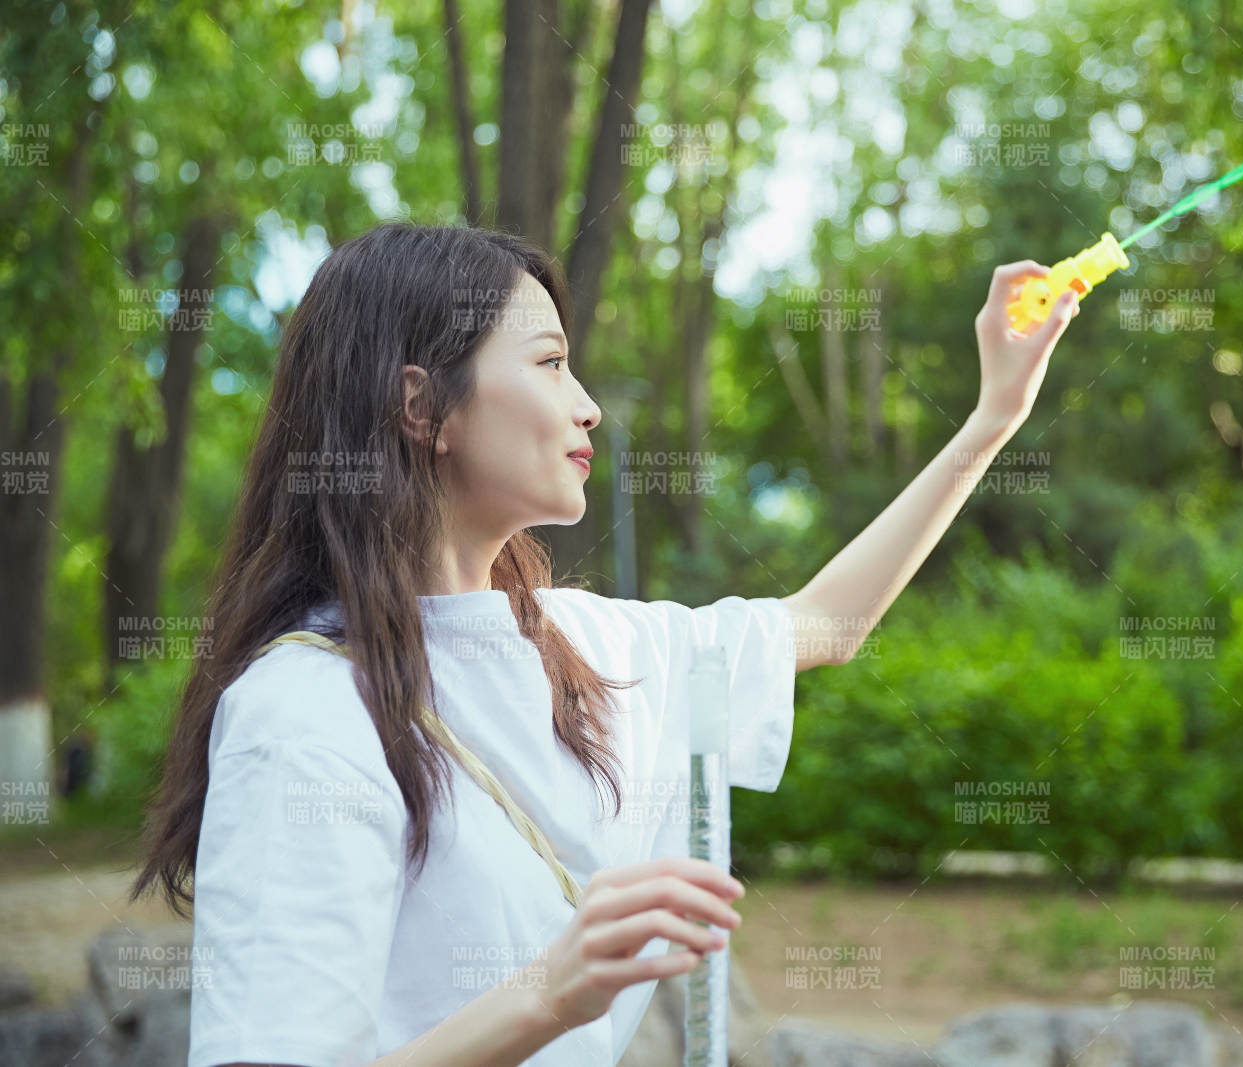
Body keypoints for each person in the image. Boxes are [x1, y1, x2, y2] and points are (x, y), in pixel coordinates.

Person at [129, 222, 1081, 1066]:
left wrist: (993, 417)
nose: (588, 406)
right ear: (422, 407)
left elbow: (826, 624)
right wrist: (549, 991)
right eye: (548, 365)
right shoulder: (303, 713)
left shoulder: (589, 644)